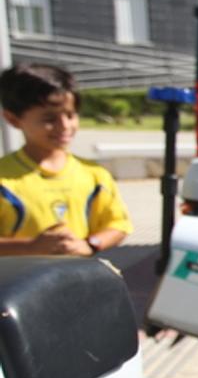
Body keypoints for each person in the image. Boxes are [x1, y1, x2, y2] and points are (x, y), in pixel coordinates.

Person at [0, 63, 131, 256]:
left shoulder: (95, 175)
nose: (64, 126)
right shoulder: (5, 179)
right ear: (13, 119)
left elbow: (118, 225)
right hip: (15, 285)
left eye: (70, 115)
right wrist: (30, 247)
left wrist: (90, 244)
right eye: (49, 119)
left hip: (79, 282)